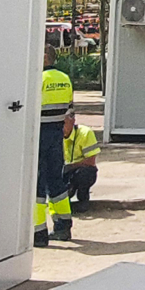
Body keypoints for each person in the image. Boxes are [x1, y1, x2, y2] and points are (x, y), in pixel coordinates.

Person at [34, 45, 73, 247]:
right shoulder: (64, 78)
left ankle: (38, 233)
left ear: (44, 57)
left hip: (39, 134)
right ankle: (63, 226)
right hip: (56, 134)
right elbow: (69, 110)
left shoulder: (38, 79)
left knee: (37, 183)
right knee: (56, 180)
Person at [46, 109, 100, 241]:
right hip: (62, 171)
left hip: (79, 169)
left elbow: (91, 161)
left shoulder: (85, 133)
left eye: (63, 123)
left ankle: (83, 197)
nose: (61, 127)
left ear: (73, 121)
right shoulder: (55, 136)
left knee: (86, 173)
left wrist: (70, 166)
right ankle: (66, 205)